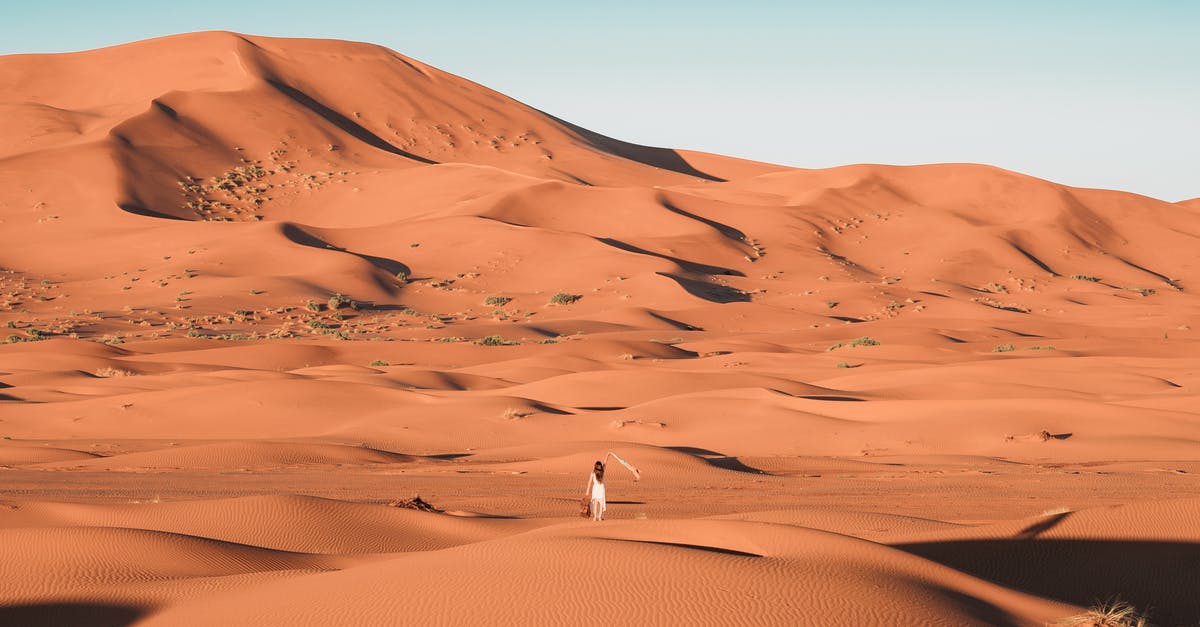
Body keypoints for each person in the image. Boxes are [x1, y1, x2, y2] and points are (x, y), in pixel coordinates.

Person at [582, 452, 641, 522]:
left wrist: (587, 491)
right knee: (601, 503)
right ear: (600, 467)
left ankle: (595, 517)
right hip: (601, 488)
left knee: (595, 503)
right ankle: (600, 517)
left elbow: (589, 482)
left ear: (595, 467)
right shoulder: (602, 471)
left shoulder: (592, 473)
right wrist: (608, 455)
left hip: (595, 489)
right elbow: (605, 462)